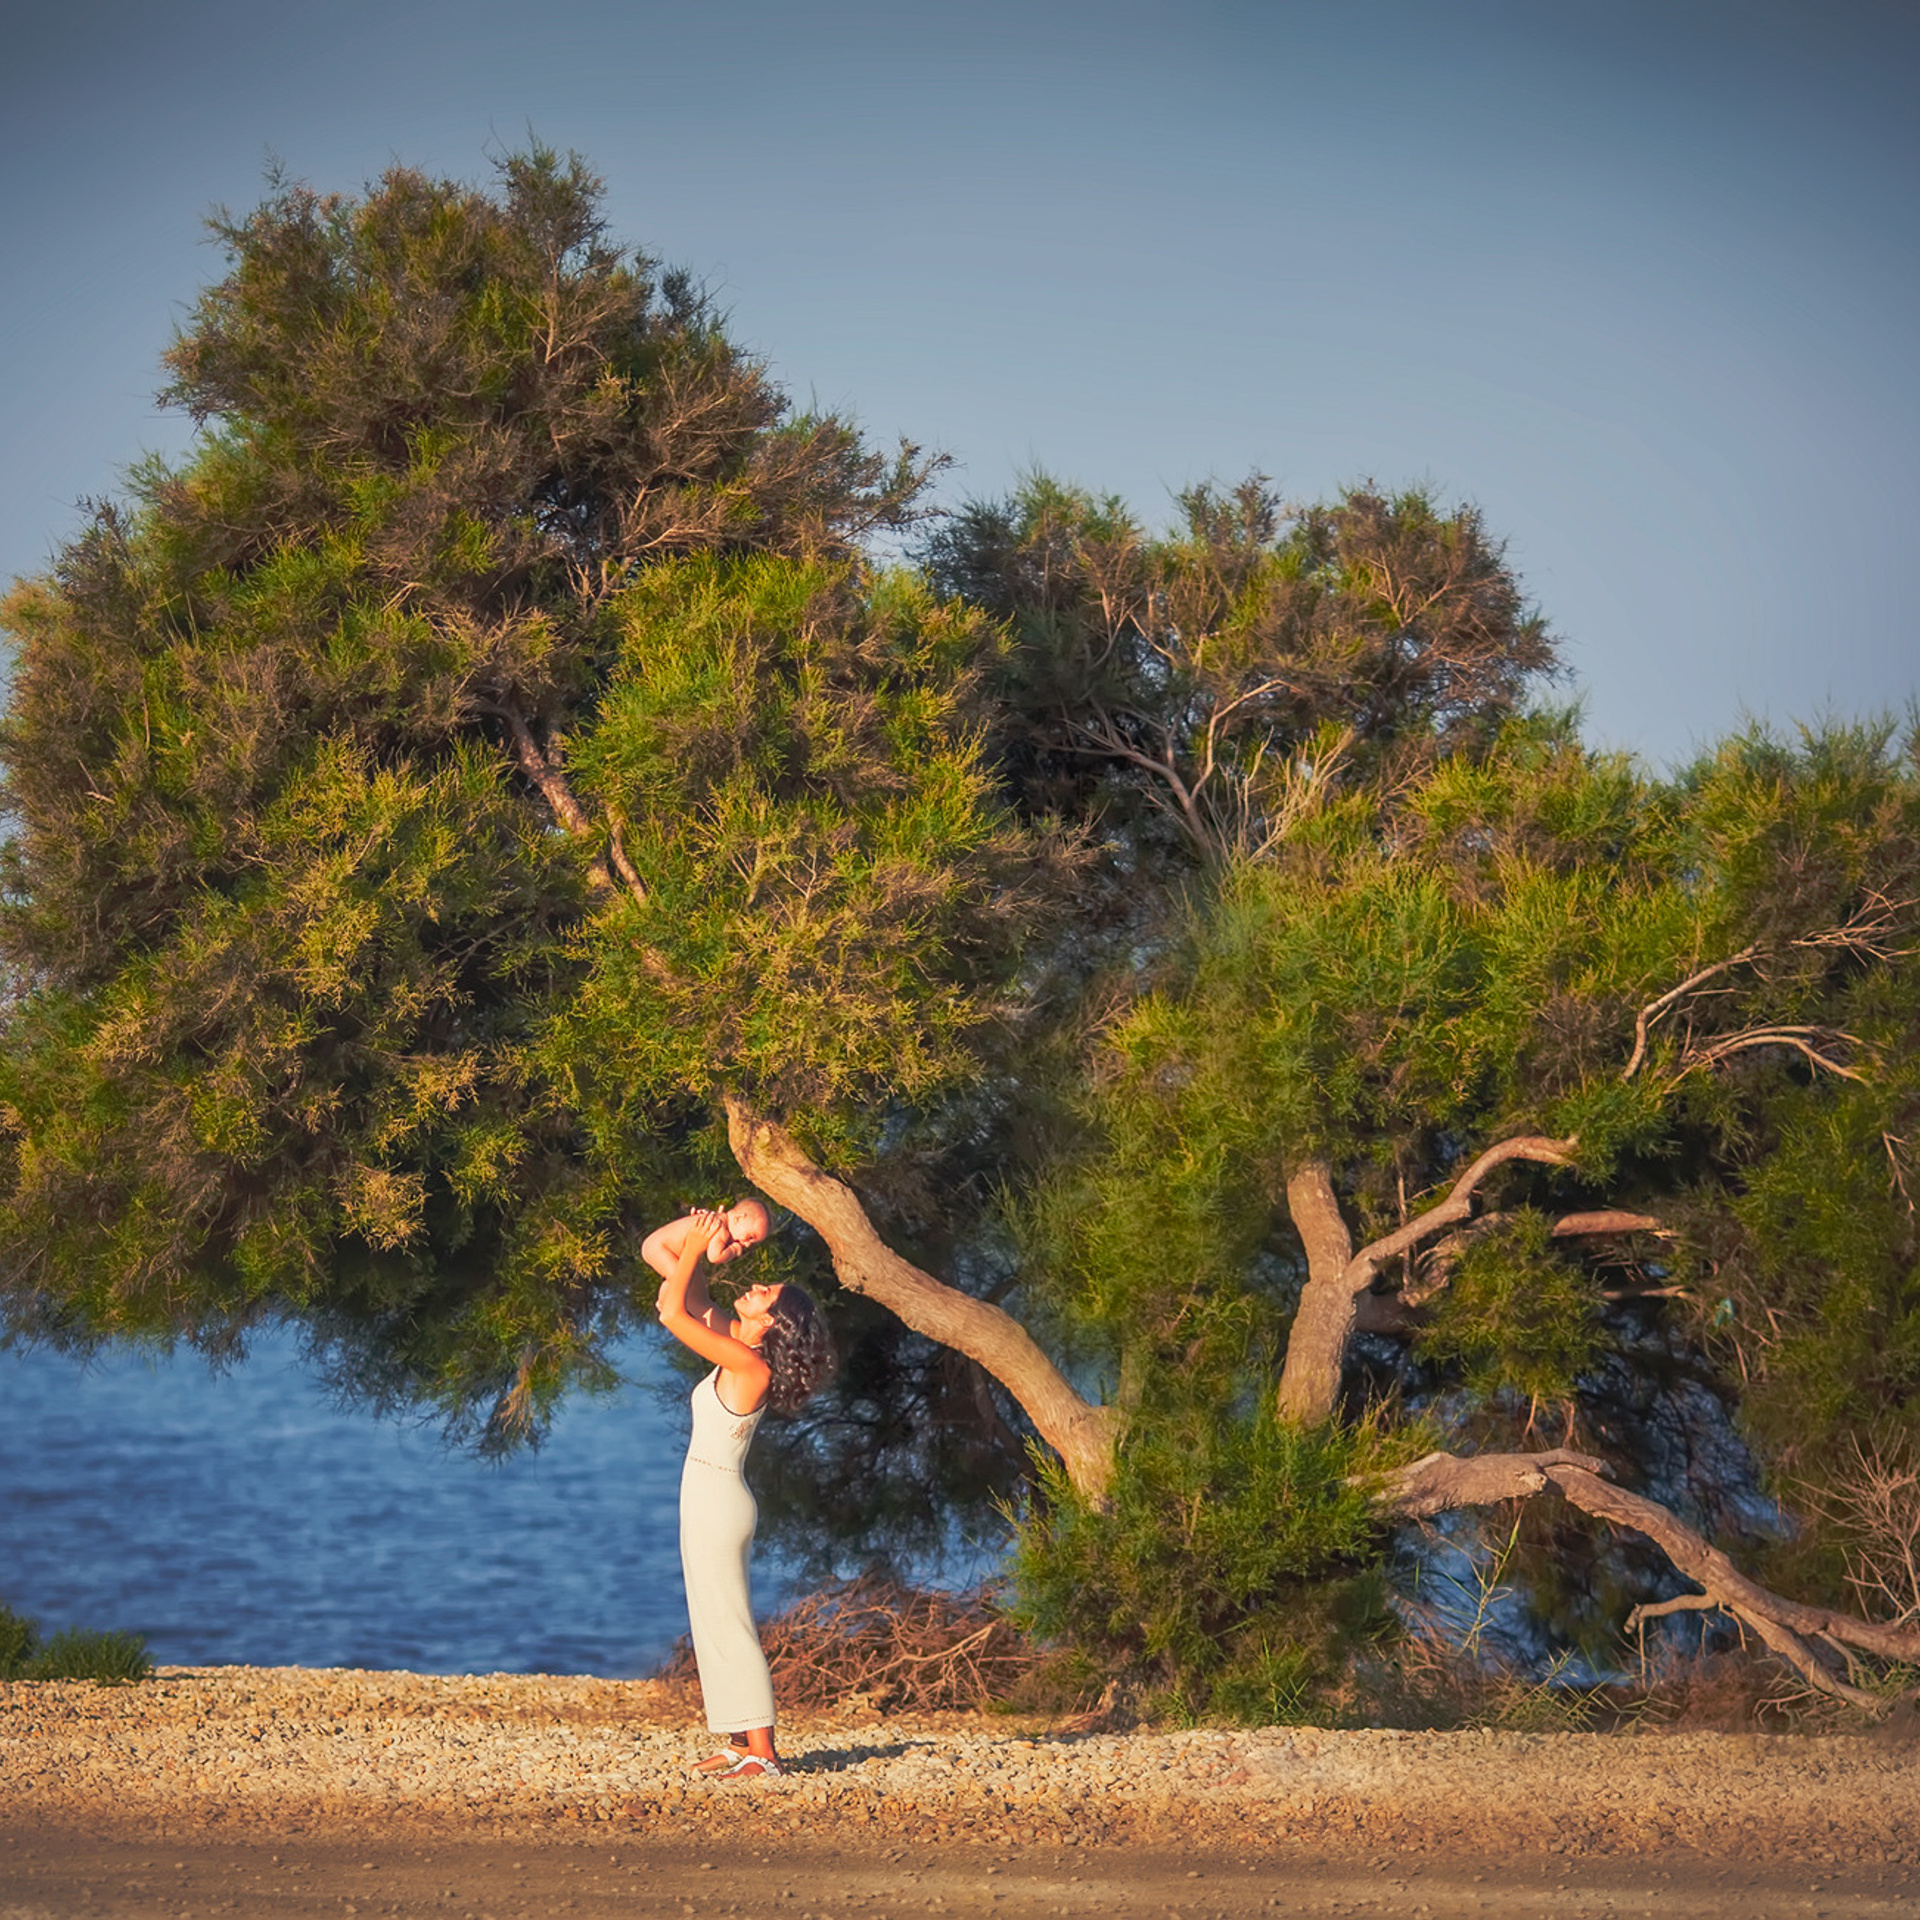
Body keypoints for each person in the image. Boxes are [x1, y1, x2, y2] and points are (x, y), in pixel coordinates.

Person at [645, 1202, 832, 1779]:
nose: (753, 1283)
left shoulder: (751, 1365)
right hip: (706, 1496)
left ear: (774, 1321)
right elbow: (658, 1254)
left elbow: (672, 1313)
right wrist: (706, 1233)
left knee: (731, 1621)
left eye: (765, 1290)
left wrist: (701, 1249)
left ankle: (765, 1753)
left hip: (719, 1501)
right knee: (711, 1619)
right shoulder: (734, 1338)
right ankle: (736, 1741)